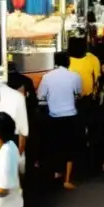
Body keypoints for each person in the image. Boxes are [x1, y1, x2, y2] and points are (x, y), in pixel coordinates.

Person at [38, 52, 83, 189]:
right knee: (70, 147)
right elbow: (79, 93)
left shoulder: (47, 77)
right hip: (71, 115)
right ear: (69, 62)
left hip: (54, 116)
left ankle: (57, 172)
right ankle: (67, 180)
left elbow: (40, 95)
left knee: (55, 145)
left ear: (55, 62)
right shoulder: (75, 76)